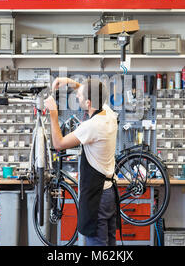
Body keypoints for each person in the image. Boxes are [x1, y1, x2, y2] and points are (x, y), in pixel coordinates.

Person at [44, 77, 121, 246]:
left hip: (97, 197)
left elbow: (59, 144)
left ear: (88, 102)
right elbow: (93, 92)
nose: (77, 97)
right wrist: (69, 82)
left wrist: (53, 112)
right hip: (109, 194)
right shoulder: (108, 113)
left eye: (79, 96)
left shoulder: (92, 126)